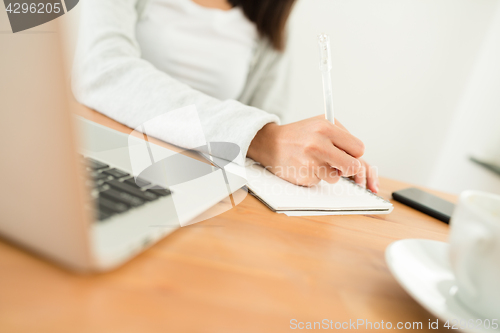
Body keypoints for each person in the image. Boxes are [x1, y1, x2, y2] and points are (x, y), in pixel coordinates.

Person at [73, 0, 379, 193]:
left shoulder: (266, 17)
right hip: (99, 160)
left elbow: (267, 125)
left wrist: (313, 158)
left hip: (191, 185)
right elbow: (102, 70)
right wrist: (260, 137)